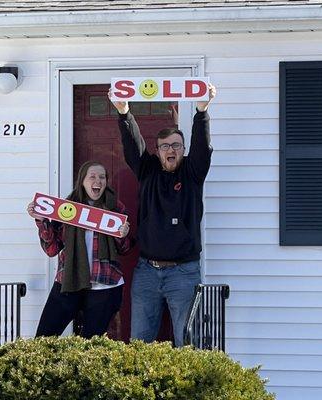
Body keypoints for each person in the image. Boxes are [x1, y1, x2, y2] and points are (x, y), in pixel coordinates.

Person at [110, 84, 216, 347]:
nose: (171, 150)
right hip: (147, 271)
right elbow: (133, 148)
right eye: (165, 146)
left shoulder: (193, 173)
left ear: (183, 149)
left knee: (187, 343)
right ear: (157, 152)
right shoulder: (148, 171)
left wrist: (201, 111)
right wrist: (124, 114)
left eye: (177, 146)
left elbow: (202, 148)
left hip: (183, 272)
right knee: (139, 344)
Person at [27, 161, 131, 338]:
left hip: (104, 285)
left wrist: (122, 235)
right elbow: (52, 249)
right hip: (69, 282)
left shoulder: (115, 207)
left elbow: (125, 249)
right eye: (92, 176)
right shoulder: (67, 208)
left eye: (102, 177)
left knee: (89, 348)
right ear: (82, 180)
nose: (97, 180)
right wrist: (41, 220)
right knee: (43, 339)